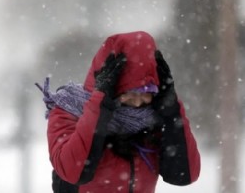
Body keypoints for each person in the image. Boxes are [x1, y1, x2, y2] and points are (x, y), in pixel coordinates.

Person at [36, 31, 200, 193]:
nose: (137, 102)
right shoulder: (69, 109)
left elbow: (183, 175)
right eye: (129, 93)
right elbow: (72, 171)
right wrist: (99, 107)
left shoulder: (153, 119)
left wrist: (172, 113)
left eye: (146, 93)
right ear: (112, 87)